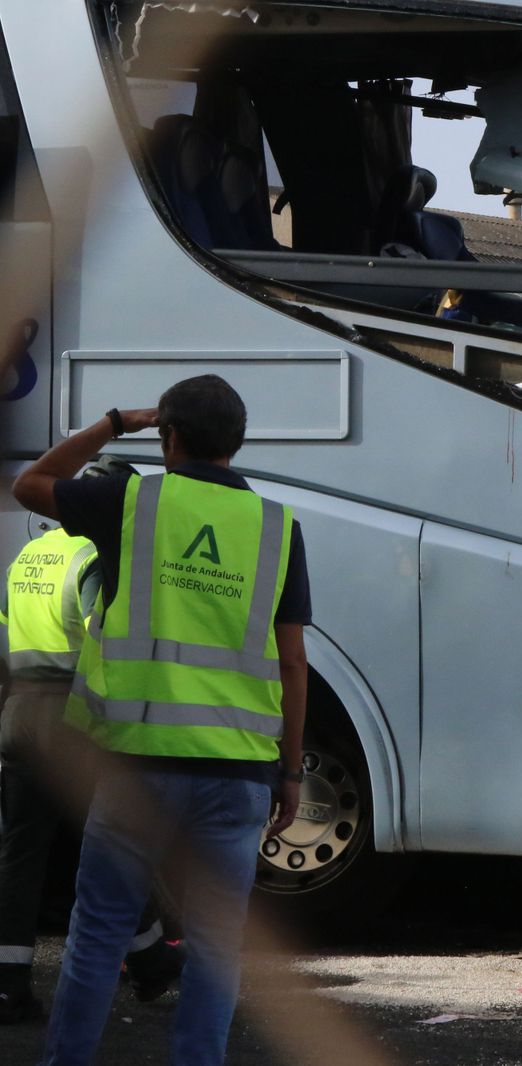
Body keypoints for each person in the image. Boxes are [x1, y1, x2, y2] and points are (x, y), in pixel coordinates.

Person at [12, 374, 311, 1066]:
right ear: (237, 442)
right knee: (216, 945)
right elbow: (292, 662)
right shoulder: (277, 527)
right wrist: (291, 771)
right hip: (238, 773)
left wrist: (116, 423)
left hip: (137, 767)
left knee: (99, 934)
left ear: (168, 436)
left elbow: (31, 484)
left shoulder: (131, 501)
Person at [0, 460, 182, 1024]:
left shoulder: (30, 554)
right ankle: (151, 961)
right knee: (115, 842)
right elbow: (103, 645)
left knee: (20, 853)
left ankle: (9, 985)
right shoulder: (93, 559)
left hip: (19, 712)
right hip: (72, 716)